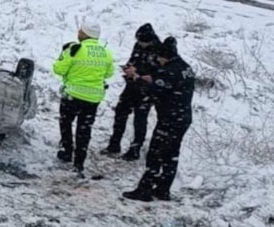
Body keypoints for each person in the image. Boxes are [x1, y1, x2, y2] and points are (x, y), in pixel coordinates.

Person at [123, 37, 195, 202]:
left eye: (159, 58)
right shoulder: (185, 67)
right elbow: (164, 83)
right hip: (182, 117)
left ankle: (144, 190)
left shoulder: (169, 72)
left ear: (165, 56)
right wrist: (152, 79)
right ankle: (163, 189)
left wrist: (136, 78)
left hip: (170, 119)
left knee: (155, 154)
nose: (158, 61)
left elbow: (153, 90)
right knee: (171, 155)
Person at [52, 19, 115, 175]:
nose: (78, 33)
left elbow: (58, 69)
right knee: (84, 129)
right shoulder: (106, 52)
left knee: (66, 122)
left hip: (72, 95)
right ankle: (79, 162)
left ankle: (67, 151)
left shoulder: (75, 49)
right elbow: (109, 73)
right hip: (93, 98)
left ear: (85, 34)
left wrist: (63, 55)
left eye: (80, 31)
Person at [101, 23, 161, 161]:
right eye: (138, 41)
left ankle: (135, 149)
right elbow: (133, 60)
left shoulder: (159, 50)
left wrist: (139, 73)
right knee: (120, 112)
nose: (140, 43)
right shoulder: (138, 46)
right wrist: (129, 68)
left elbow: (157, 72)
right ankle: (114, 144)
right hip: (132, 85)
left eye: (142, 41)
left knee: (140, 119)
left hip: (146, 90)